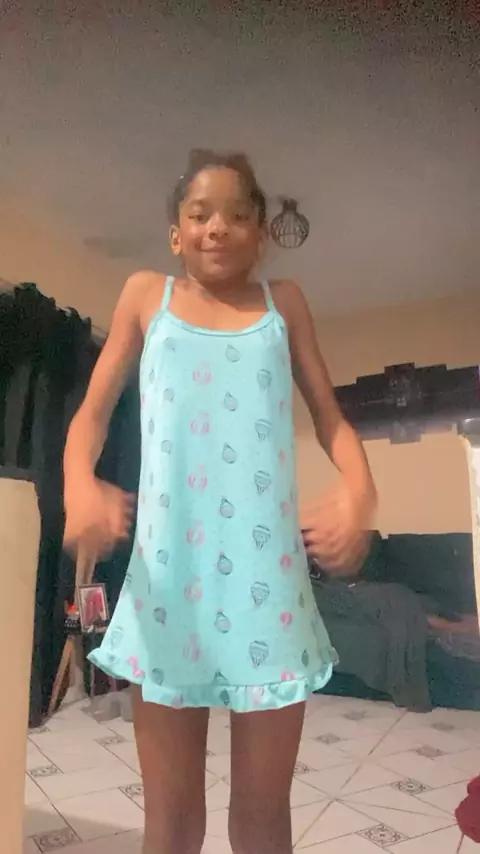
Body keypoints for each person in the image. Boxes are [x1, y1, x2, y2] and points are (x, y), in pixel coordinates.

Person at [63, 149, 376, 854]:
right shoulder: (145, 296)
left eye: (238, 215)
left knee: (263, 821)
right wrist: (80, 483)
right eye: (200, 214)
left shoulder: (284, 303)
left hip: (268, 588)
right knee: (171, 823)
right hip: (169, 584)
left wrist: (361, 490)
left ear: (261, 233)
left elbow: (330, 418)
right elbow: (91, 417)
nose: (217, 228)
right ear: (176, 233)